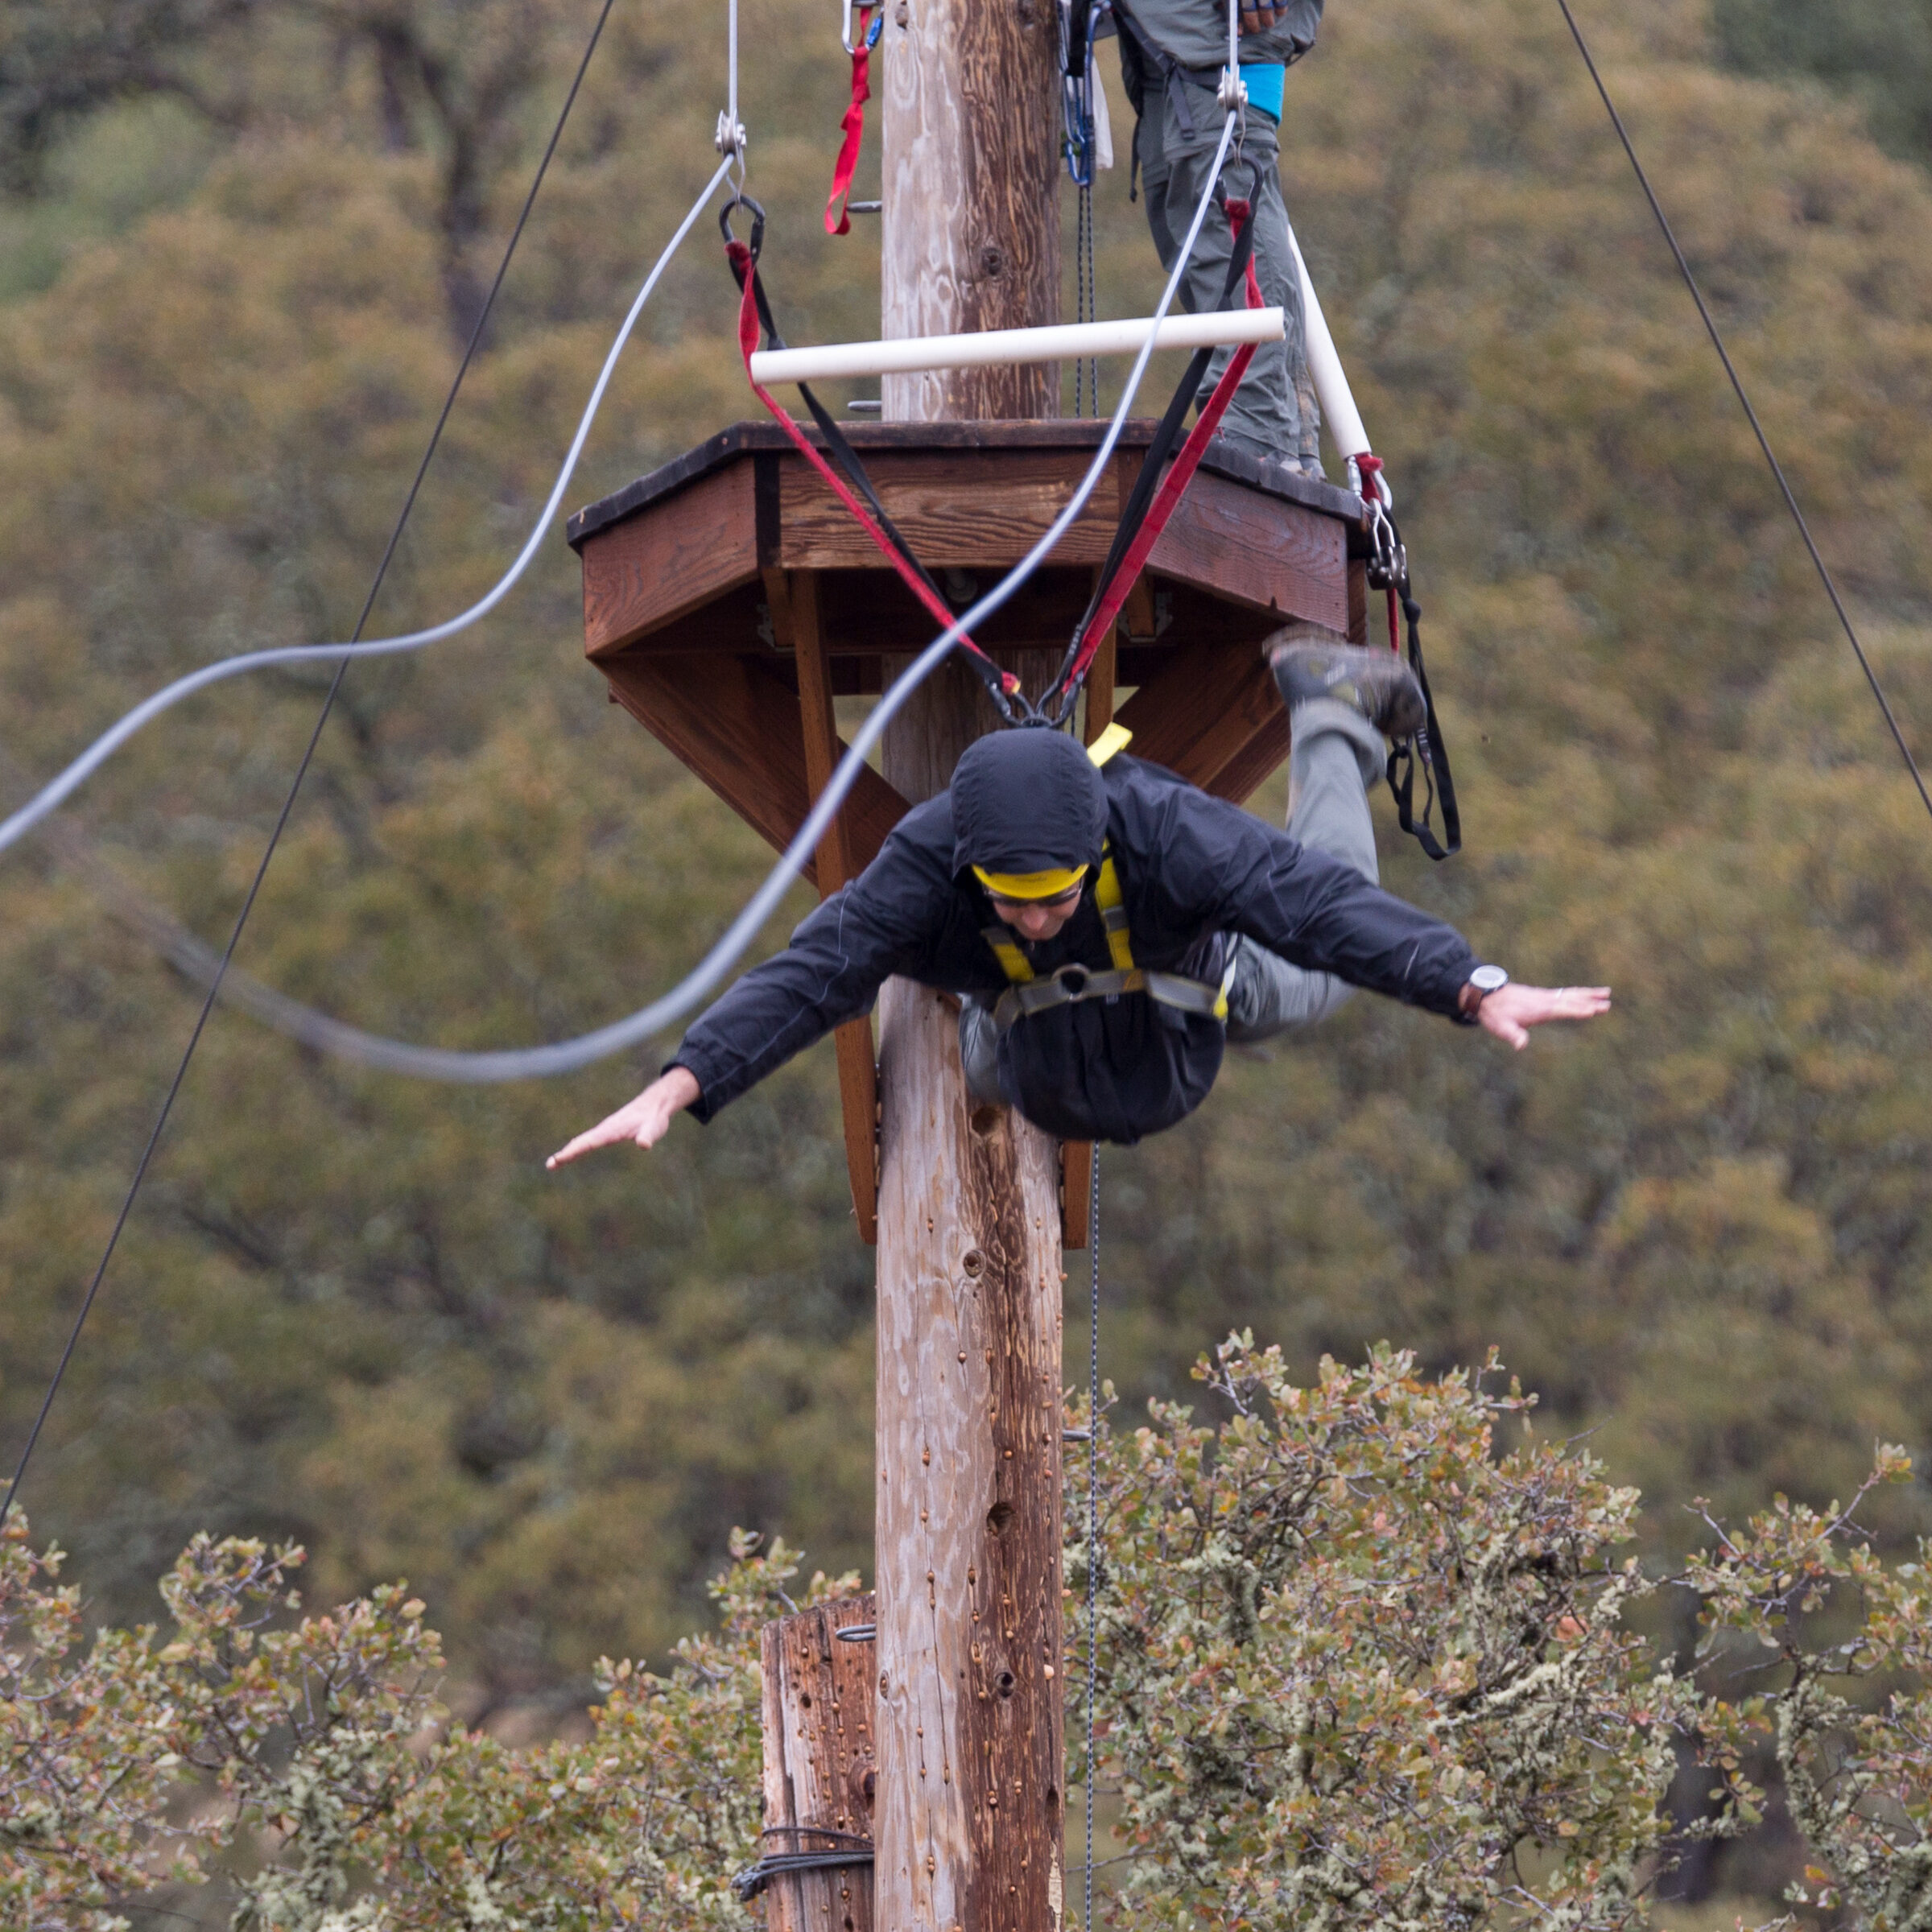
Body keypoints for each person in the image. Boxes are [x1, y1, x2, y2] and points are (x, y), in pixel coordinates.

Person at [548, 636, 1610, 1169]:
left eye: (1053, 899)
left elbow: (1312, 900)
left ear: (1092, 851)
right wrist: (681, 1083)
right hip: (1027, 1055)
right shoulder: (928, 864)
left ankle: (1333, 714)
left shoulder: (1161, 829)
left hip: (1191, 1004)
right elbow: (811, 972)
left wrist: (1471, 986)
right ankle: (978, 998)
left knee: (1324, 957)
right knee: (912, 968)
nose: (1038, 918)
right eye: (1013, 903)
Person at [1111, 0, 1325, 475]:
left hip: (1215, 35)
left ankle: (1260, 433)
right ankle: (1262, 429)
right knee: (1186, 212)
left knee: (1221, 199)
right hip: (1159, 34)